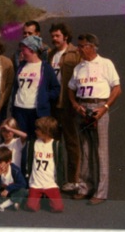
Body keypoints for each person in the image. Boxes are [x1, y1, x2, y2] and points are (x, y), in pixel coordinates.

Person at [68, 33, 121, 205]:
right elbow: (71, 88)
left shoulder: (105, 63)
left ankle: (101, 192)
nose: (79, 49)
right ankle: (85, 187)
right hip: (83, 109)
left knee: (100, 150)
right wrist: (76, 105)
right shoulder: (79, 67)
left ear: (92, 47)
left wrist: (104, 108)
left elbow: (117, 88)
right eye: (79, 45)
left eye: (82, 46)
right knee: (85, 149)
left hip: (99, 107)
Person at [48, 22, 81, 193]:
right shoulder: (50, 54)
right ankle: (56, 179)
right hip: (53, 104)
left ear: (65, 36)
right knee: (55, 143)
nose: (54, 39)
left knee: (72, 143)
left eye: (57, 36)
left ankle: (74, 180)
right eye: (52, 36)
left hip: (67, 104)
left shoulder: (75, 54)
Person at [10, 35, 60, 140]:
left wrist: (45, 96)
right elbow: (16, 86)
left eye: (24, 49)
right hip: (19, 108)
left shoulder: (45, 68)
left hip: (36, 110)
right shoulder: (21, 66)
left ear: (32, 50)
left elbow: (56, 88)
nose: (22, 52)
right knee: (21, 140)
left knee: (37, 139)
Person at [25, 116, 64, 213]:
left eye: (38, 129)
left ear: (46, 131)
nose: (35, 131)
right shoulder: (33, 143)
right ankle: (39, 197)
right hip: (36, 183)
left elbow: (60, 165)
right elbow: (29, 161)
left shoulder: (56, 145)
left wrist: (60, 181)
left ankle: (46, 197)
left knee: (58, 208)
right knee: (31, 207)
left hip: (50, 183)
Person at [0, 146, 27, 211]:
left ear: (8, 162)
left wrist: (8, 189)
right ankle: (11, 203)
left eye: (0, 163)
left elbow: (23, 184)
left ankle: (2, 205)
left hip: (13, 192)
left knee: (23, 191)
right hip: (1, 193)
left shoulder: (15, 170)